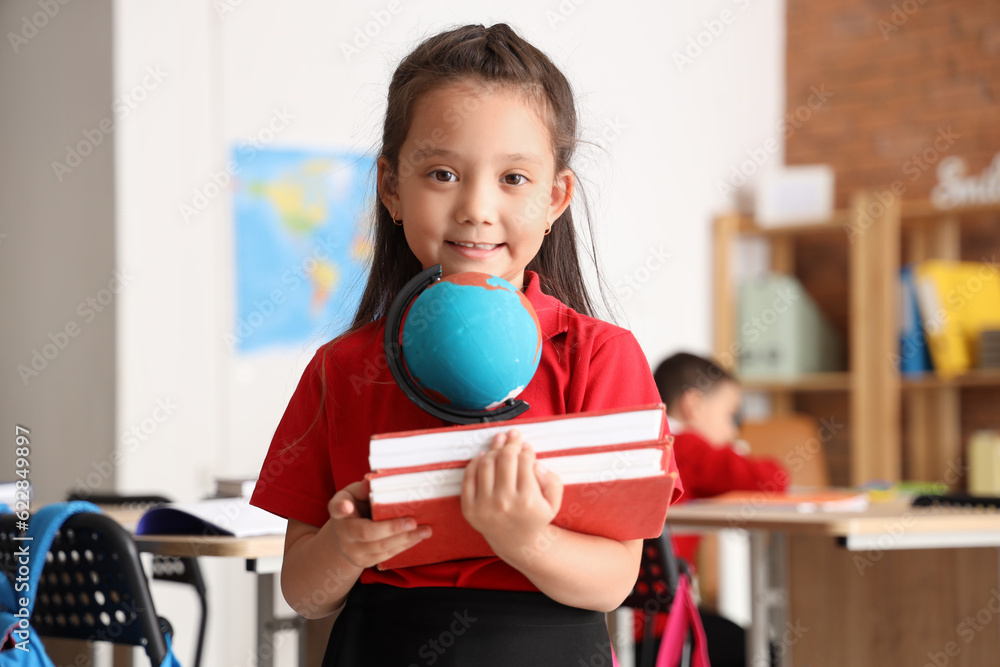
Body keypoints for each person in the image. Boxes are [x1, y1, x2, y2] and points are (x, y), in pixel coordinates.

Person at [249, 23, 683, 666]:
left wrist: (525, 538)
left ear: (555, 196)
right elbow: (303, 593)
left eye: (513, 178)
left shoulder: (597, 356)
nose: (477, 208)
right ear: (392, 187)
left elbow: (616, 580)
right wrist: (343, 548)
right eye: (444, 173)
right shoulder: (341, 369)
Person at [636, 352, 789, 667]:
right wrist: (737, 453)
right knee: (765, 652)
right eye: (730, 415)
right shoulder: (685, 445)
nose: (733, 431)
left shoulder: (642, 442)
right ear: (693, 404)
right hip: (664, 629)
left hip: (623, 620)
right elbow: (773, 478)